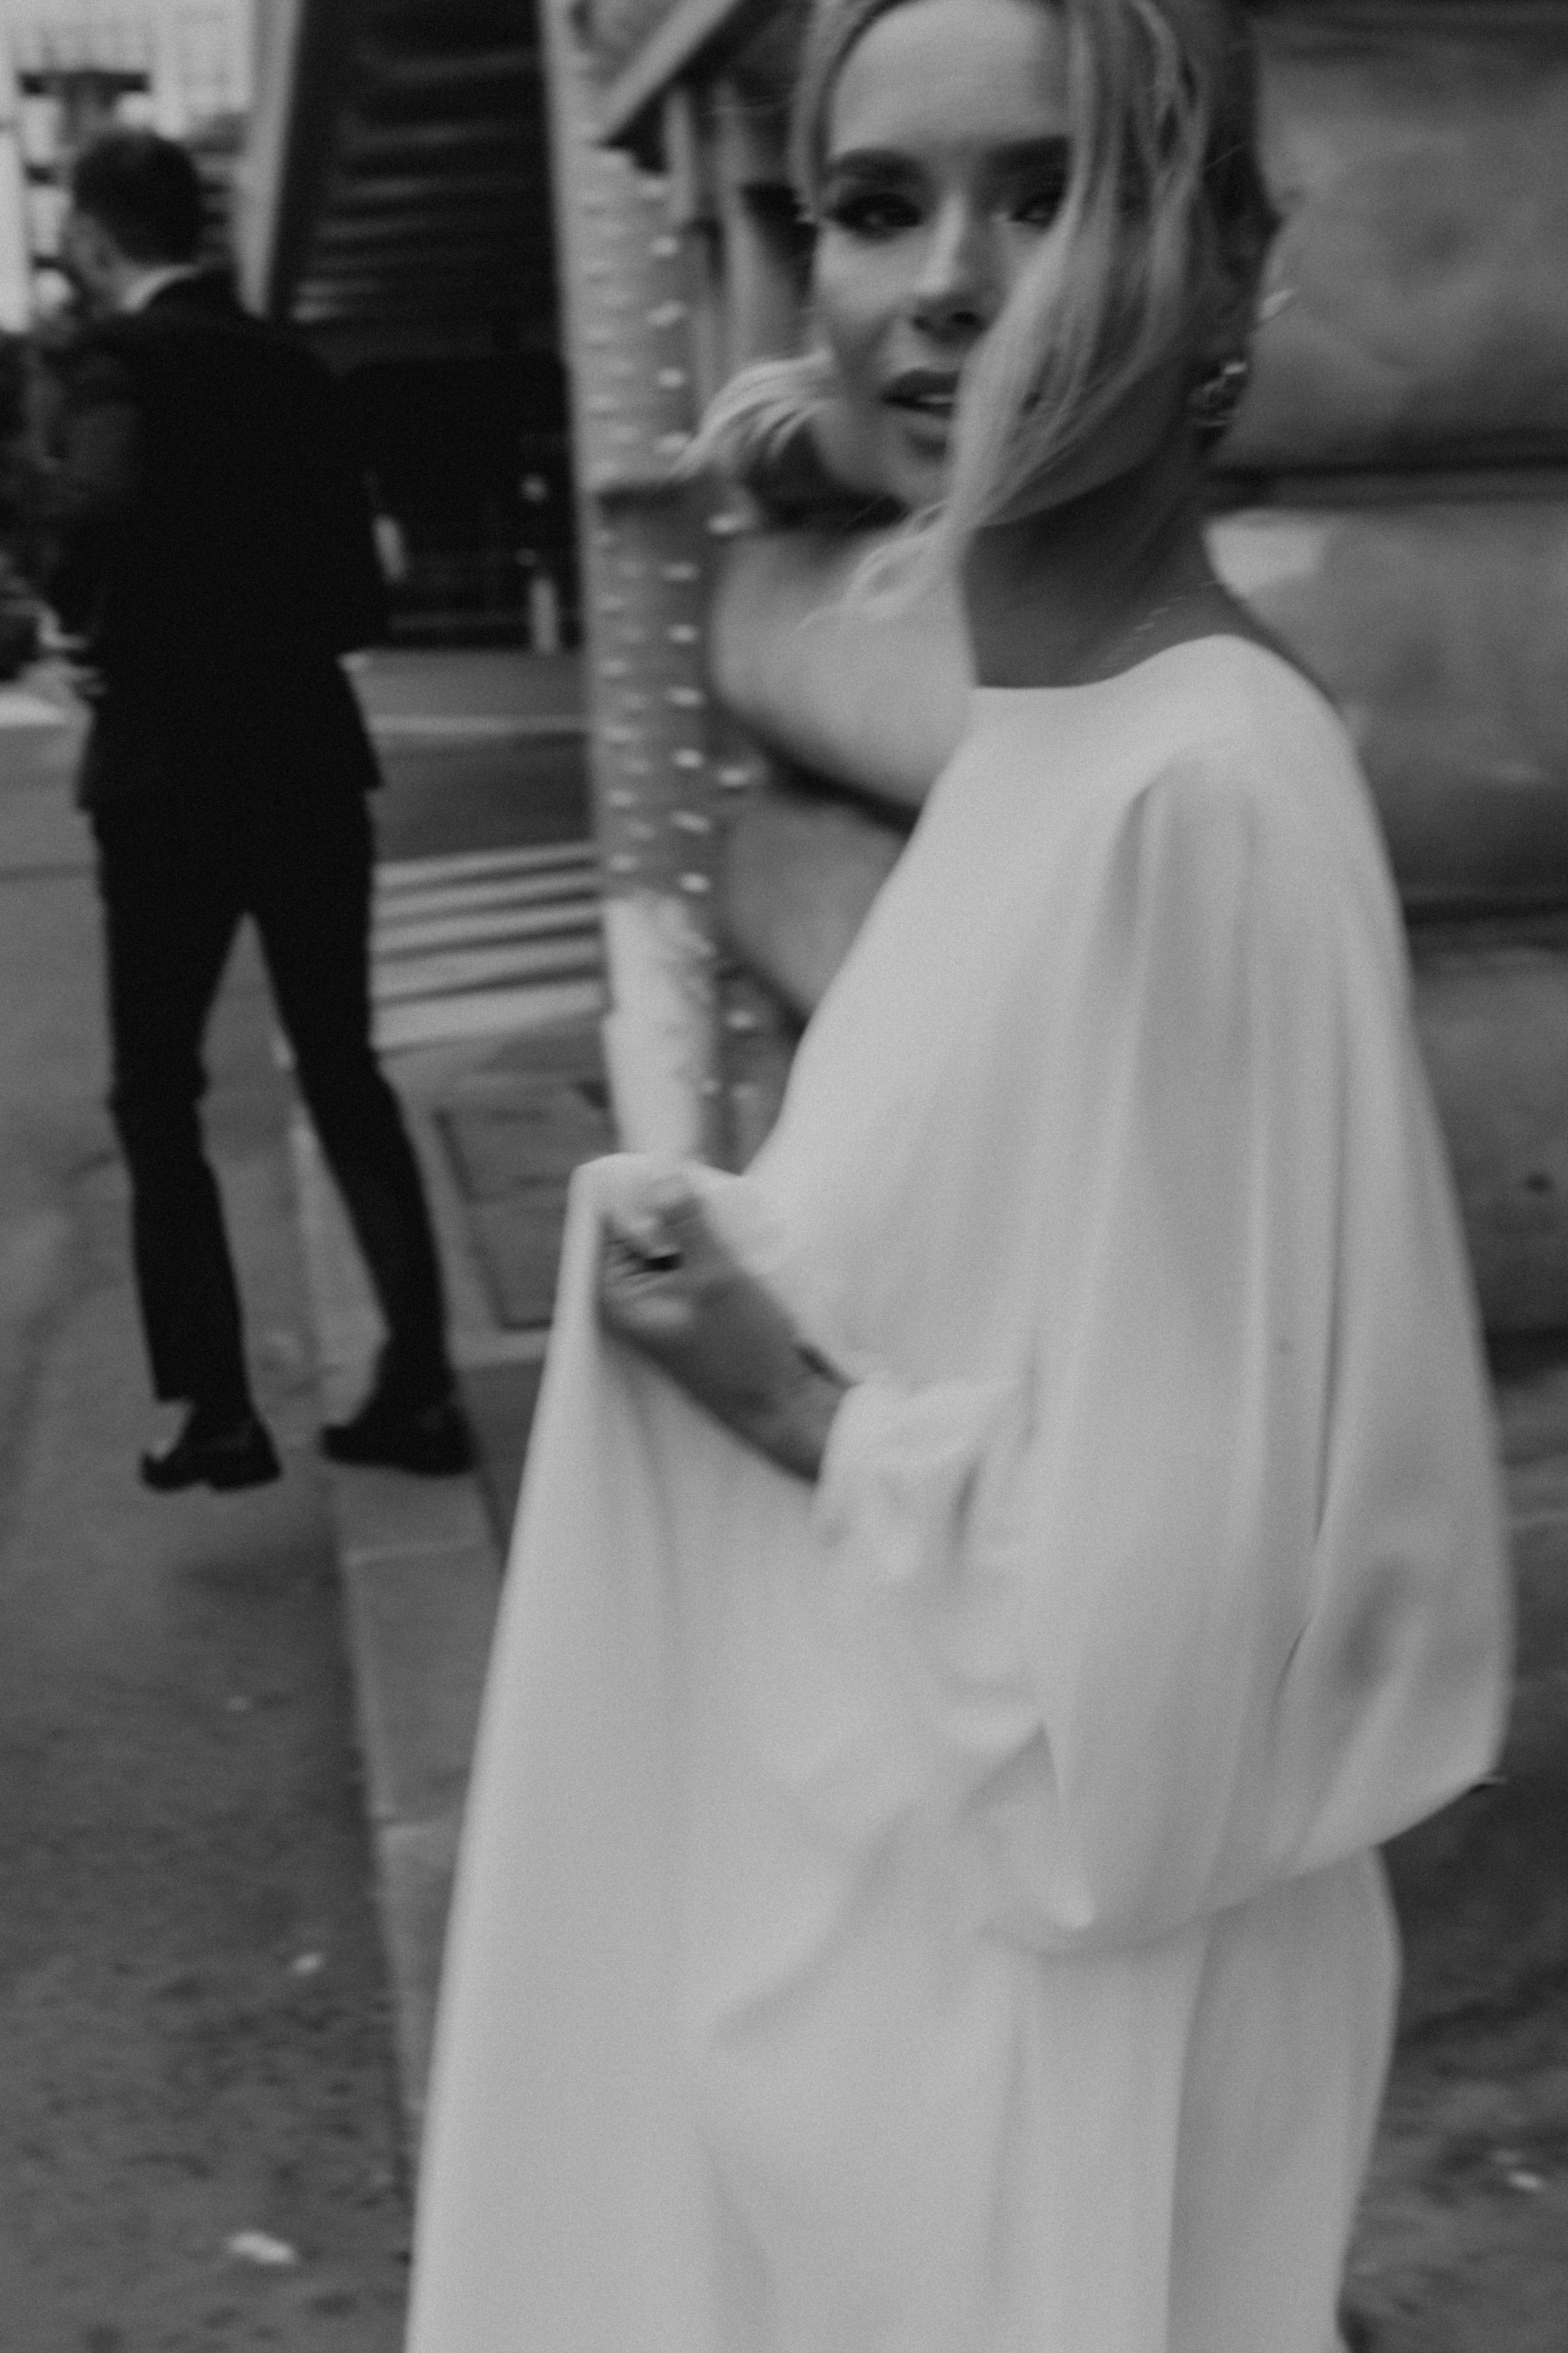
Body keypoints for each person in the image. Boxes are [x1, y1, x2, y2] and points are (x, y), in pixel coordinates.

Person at [406, 2, 1510, 2346]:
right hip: (953, 2025)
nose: (945, 279)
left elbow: (1192, 1658)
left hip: (1045, 2081)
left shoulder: (1189, 806)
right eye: (874, 208)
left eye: (1052, 193)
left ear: (1227, 271)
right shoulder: (1062, 730)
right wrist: (833, 444)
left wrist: (785, 1392)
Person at [23, 131, 472, 1490]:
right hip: (310, 765)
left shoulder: (119, 362)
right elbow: (355, 601)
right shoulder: (294, 368)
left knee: (157, 1092)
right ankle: (419, 1385)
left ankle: (215, 1404)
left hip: (169, 779)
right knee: (341, 1066)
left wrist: (92, 613)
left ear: (98, 240)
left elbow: (91, 517)